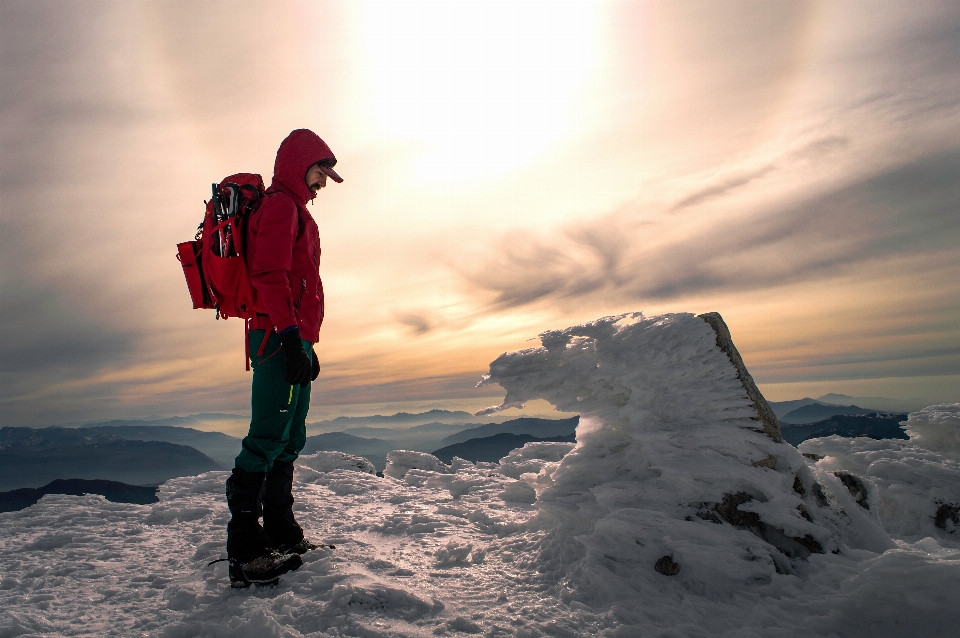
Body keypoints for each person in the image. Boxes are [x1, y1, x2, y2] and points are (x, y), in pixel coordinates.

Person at [224, 129, 343, 587]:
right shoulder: (279, 206)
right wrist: (291, 338)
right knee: (268, 434)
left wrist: (306, 341)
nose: (323, 183)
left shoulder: (298, 213)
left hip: (296, 337)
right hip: (276, 336)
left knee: (292, 433)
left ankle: (281, 531)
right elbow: (269, 274)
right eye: (319, 172)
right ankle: (246, 551)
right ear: (299, 165)